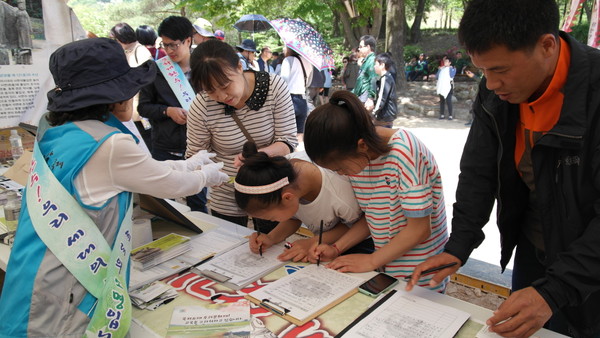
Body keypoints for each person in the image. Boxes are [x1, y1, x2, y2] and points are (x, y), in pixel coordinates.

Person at [0, 37, 228, 337]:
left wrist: (188, 163)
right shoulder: (110, 144)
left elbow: (139, 171)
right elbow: (168, 184)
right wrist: (203, 177)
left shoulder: (59, 129)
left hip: (33, 266)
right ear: (114, 97)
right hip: (64, 283)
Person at [406, 0, 600, 337]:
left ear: (547, 46)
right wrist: (459, 245)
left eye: (500, 70)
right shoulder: (497, 95)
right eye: (483, 71)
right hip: (533, 247)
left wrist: (554, 291)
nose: (491, 84)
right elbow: (478, 171)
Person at [304, 90, 449, 292]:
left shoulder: (404, 152)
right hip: (387, 265)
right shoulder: (359, 159)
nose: (342, 174)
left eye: (340, 169)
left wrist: (371, 260)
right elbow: (373, 214)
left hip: (420, 271)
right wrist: (336, 248)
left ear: (361, 145)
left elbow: (419, 229)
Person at [187, 39, 298, 233]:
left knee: (270, 245)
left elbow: (287, 140)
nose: (221, 96)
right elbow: (195, 155)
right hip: (227, 195)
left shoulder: (274, 87)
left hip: (270, 188)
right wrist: (207, 173)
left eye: (225, 85)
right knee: (230, 247)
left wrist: (260, 155)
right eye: (211, 90)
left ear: (239, 67)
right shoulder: (201, 106)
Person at [234, 142, 370, 262]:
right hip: (327, 245)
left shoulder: (339, 192)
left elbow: (358, 225)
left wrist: (312, 242)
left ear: (287, 198)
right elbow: (294, 216)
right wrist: (271, 237)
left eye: (271, 218)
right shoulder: (281, 176)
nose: (271, 221)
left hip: (359, 244)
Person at [138, 16, 208, 213]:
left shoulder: (205, 68)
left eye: (173, 45)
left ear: (188, 40)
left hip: (196, 148)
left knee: (198, 203)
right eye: (165, 45)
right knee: (165, 204)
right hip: (164, 147)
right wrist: (166, 111)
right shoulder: (156, 69)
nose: (169, 51)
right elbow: (143, 108)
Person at [280, 46, 313, 140]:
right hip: (302, 99)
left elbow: (283, 81)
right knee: (300, 133)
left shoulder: (288, 60)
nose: (283, 49)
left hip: (289, 99)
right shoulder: (308, 62)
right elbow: (309, 82)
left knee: (286, 133)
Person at [352, 35, 377, 112]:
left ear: (368, 47)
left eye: (361, 46)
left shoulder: (372, 60)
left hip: (365, 97)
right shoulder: (366, 60)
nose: (359, 49)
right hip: (360, 95)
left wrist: (370, 98)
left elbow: (373, 79)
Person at [372, 53, 397, 128]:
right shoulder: (387, 77)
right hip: (387, 116)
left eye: (376, 64)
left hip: (385, 116)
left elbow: (381, 99)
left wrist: (373, 113)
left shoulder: (385, 79)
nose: (374, 66)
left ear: (382, 65)